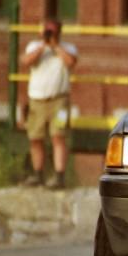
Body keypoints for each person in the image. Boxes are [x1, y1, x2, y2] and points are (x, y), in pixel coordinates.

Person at [19, 18, 78, 189]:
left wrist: (55, 46)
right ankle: (38, 174)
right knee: (35, 137)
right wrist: (43, 46)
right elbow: (26, 61)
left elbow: (71, 62)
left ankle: (59, 176)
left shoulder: (68, 48)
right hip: (37, 100)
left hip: (59, 101)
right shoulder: (34, 47)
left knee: (58, 136)